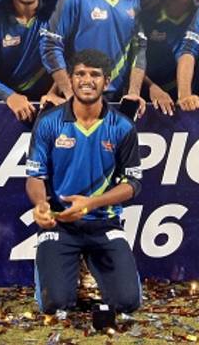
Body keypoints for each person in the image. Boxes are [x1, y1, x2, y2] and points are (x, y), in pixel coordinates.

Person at [26, 48, 143, 317]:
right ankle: (57, 271)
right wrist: (42, 205)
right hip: (61, 223)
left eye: (95, 75)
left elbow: (133, 183)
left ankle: (97, 275)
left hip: (105, 223)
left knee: (128, 304)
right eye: (80, 74)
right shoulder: (48, 123)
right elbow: (34, 176)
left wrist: (92, 204)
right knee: (54, 305)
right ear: (70, 79)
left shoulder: (122, 127)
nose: (87, 80)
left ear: (107, 81)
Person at [136, 0, 199, 114]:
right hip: (146, 93)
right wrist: (151, 87)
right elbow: (132, 55)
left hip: (187, 99)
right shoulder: (146, 11)